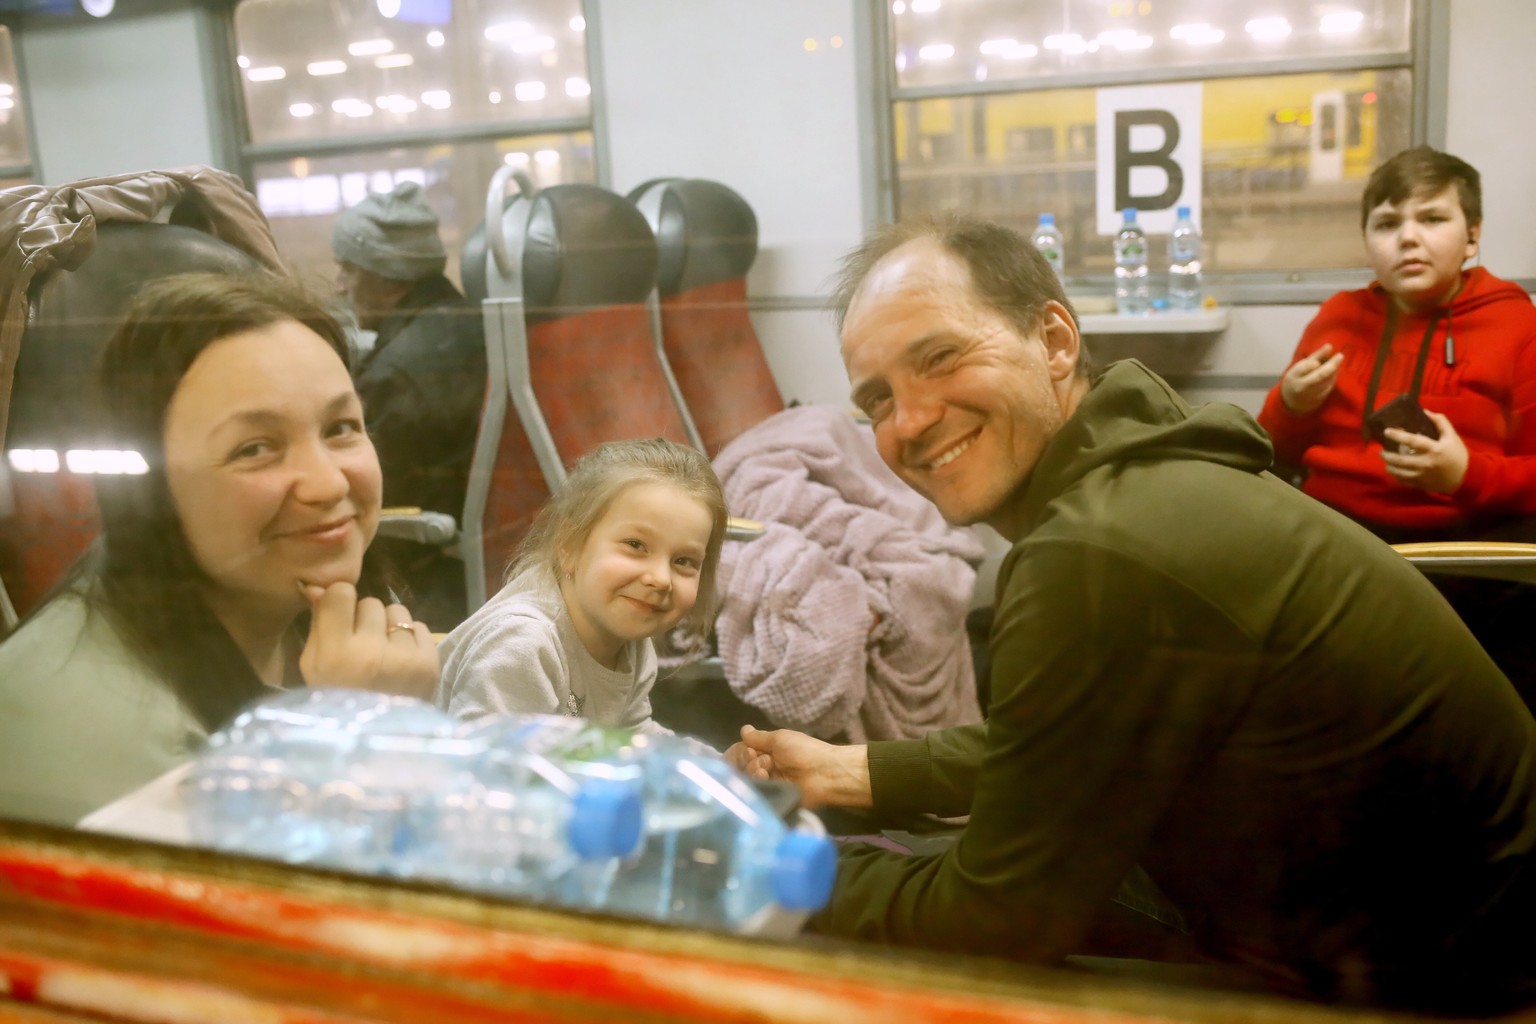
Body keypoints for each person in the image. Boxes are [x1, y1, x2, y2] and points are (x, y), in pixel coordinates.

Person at [728, 214, 1536, 1015]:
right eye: (877, 401)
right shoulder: (1148, 474)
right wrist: (857, 772)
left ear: (1054, 341)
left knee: (809, 944)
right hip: (1404, 915)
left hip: (1435, 987)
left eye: (940, 358)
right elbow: (1070, 737)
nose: (908, 422)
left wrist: (753, 862)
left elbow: (993, 922)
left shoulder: (1098, 551)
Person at [0, 273, 439, 828]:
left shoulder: (315, 601)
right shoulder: (81, 730)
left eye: (341, 428)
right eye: (255, 448)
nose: (328, 484)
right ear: (150, 493)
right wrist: (365, 734)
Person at [1258, 146, 1536, 537]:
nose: (1408, 238)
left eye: (1432, 219)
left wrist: (1465, 475)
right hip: (1332, 531)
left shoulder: (1518, 326)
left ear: (1472, 236)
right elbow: (1273, 453)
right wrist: (1290, 404)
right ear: (1367, 241)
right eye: (1387, 224)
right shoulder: (1337, 317)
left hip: (1459, 543)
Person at [435, 438, 726, 733]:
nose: (661, 579)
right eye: (635, 545)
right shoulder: (525, 644)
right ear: (569, 544)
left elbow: (632, 737)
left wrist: (725, 767)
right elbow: (492, 768)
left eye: (684, 561)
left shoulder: (631, 644)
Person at [333, 181, 488, 630]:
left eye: (348, 269)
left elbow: (368, 493)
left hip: (432, 580)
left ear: (385, 275)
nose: (341, 286)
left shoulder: (397, 375)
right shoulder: (467, 321)